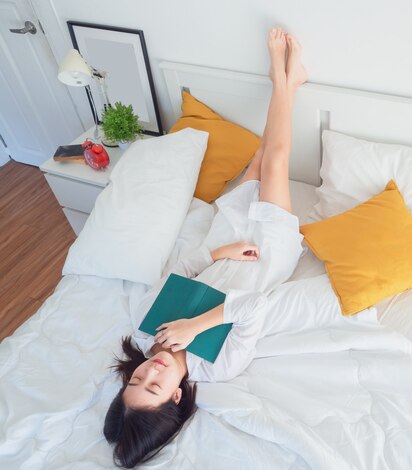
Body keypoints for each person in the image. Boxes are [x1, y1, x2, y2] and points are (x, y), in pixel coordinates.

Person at [103, 28, 308, 469]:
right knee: (274, 163)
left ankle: (291, 83)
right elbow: (253, 307)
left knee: (256, 160)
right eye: (154, 385)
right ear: (177, 395)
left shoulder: (146, 334)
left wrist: (220, 253)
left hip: (225, 245)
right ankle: (281, 79)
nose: (150, 369)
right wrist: (195, 326)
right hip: (268, 255)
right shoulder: (217, 367)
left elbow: (179, 269)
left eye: (137, 378)